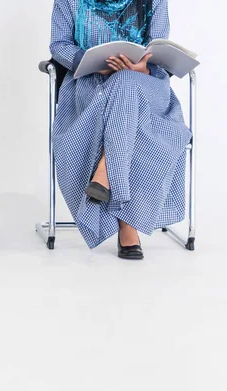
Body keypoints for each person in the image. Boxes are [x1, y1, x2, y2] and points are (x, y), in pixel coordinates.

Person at [49, 0, 192, 260]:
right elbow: (58, 46)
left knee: (127, 81)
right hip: (93, 86)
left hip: (145, 87)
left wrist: (144, 68)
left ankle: (104, 176)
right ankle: (128, 226)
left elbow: (159, 46)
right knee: (123, 86)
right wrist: (92, 61)